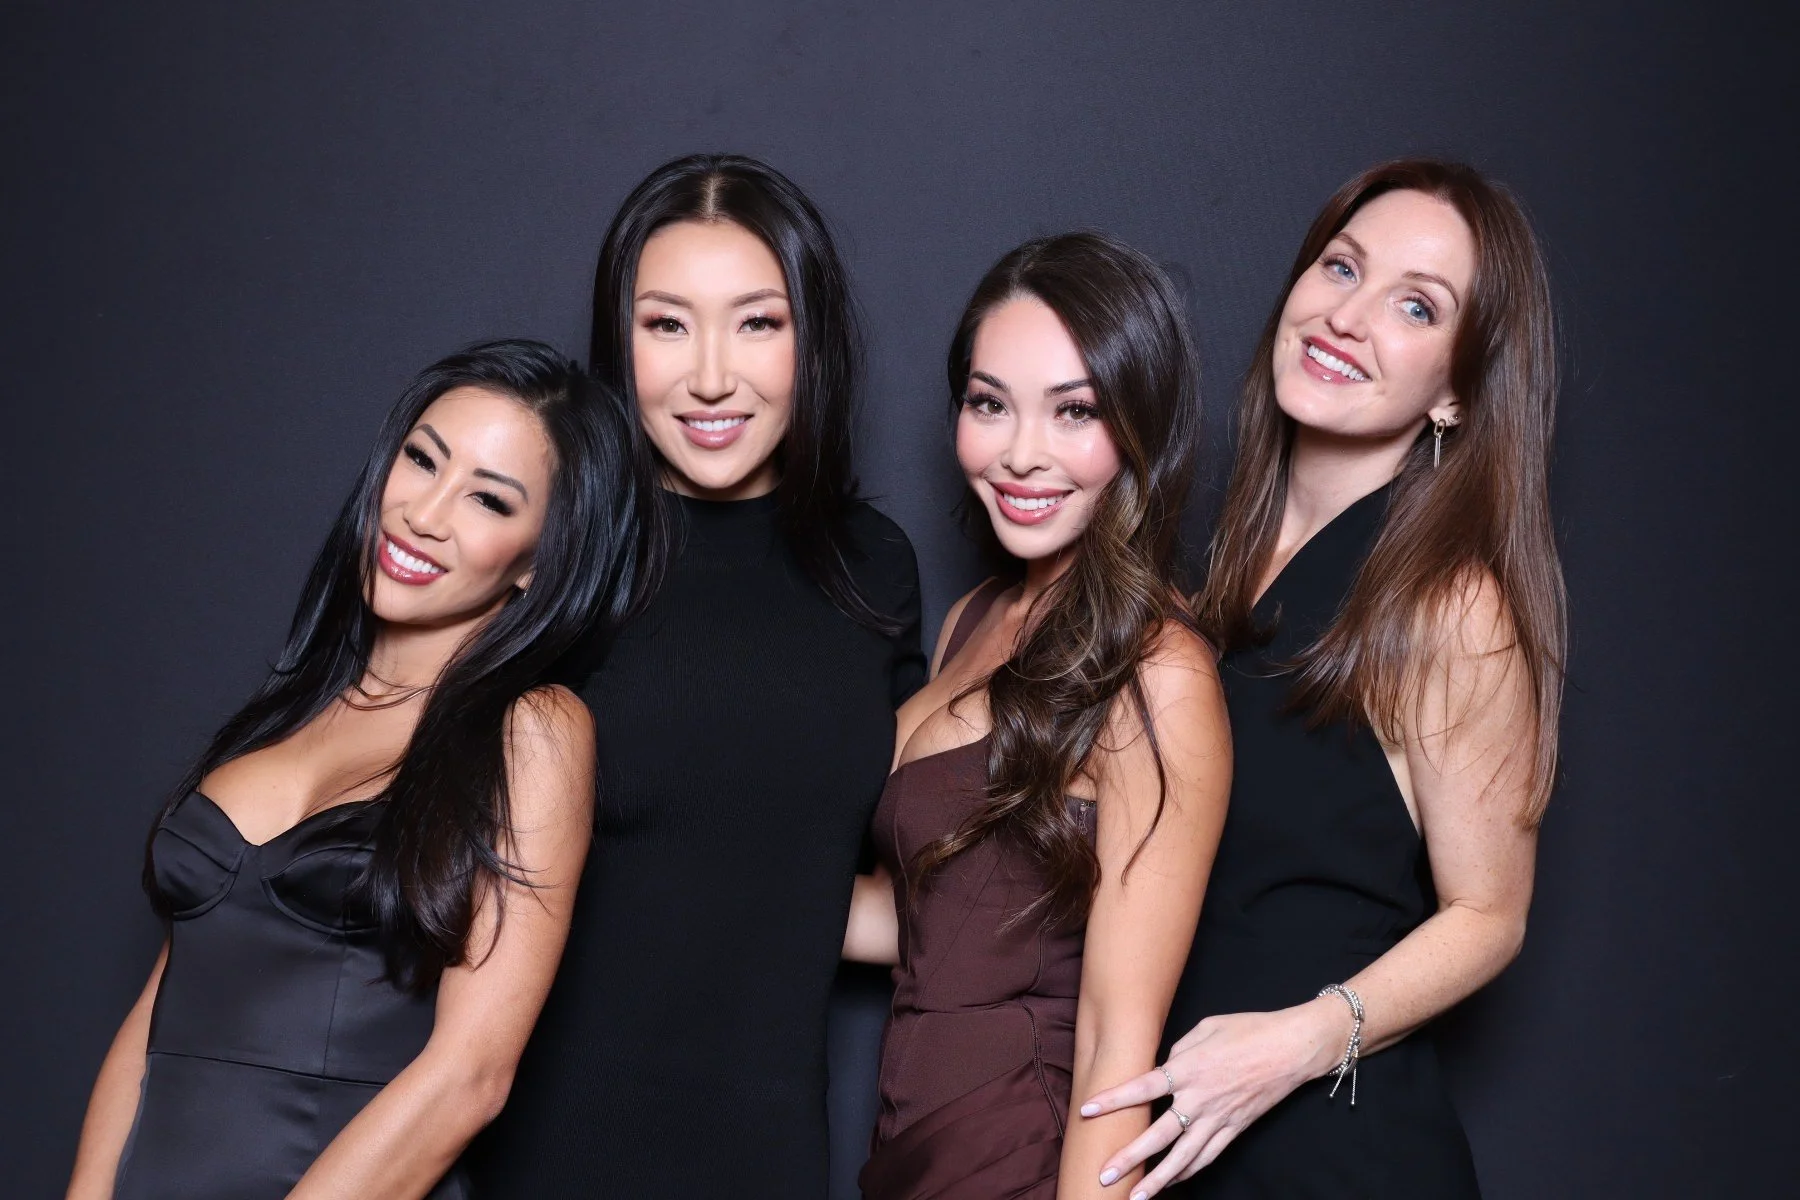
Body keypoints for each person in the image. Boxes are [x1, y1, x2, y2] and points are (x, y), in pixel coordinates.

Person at [1078, 160, 1568, 1198]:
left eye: (1415, 305)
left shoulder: (1450, 602)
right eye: (1340, 266)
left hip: (1335, 1154)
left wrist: (1299, 1043)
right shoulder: (1205, 574)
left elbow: (1490, 912)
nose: (1348, 315)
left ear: (1458, 389)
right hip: (1179, 1146)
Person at [64, 341, 642, 1199]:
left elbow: (471, 1074)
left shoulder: (534, 729)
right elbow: (159, 1014)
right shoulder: (288, 707)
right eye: (421, 459)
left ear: (536, 562)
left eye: (487, 499)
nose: (424, 513)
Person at [474, 155, 924, 1198]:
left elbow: (905, 886)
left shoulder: (871, 565)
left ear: (811, 341)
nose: (711, 376)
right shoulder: (555, 547)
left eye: (757, 324)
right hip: (556, 1145)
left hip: (769, 1149)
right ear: (615, 343)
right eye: (666, 324)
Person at [844, 232, 1232, 1199]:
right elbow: (949, 918)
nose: (1021, 453)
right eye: (989, 404)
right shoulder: (979, 616)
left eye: (1075, 412)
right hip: (909, 1142)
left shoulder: (1159, 669)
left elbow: (1115, 1042)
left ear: (1141, 428)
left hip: (1025, 1147)